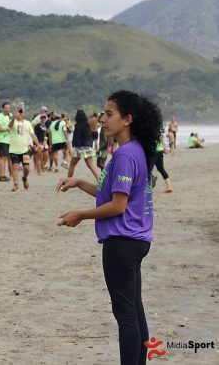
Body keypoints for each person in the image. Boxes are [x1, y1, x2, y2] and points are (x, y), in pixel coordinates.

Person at [57, 90, 162, 365]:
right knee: (135, 311)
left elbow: (118, 206)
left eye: (109, 114)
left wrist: (80, 214)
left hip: (123, 242)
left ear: (127, 119)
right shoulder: (136, 149)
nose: (102, 119)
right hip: (137, 240)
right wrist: (79, 182)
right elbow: (112, 194)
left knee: (126, 316)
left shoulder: (126, 154)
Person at [8, 106, 39, 191]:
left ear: (24, 114)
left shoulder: (27, 123)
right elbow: (9, 126)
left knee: (26, 168)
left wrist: (37, 143)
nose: (20, 114)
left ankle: (24, 178)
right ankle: (15, 184)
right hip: (13, 150)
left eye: (21, 112)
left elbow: (32, 134)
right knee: (15, 167)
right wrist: (14, 117)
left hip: (25, 150)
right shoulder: (12, 122)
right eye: (18, 112)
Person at [68, 109, 100, 180]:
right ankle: (100, 180)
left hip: (80, 148)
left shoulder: (77, 125)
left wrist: (78, 148)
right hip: (88, 147)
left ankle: (68, 180)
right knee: (91, 165)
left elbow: (77, 137)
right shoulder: (87, 125)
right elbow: (93, 136)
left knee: (72, 165)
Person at [0, 102, 12, 181]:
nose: (7, 109)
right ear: (3, 108)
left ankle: (3, 174)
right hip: (1, 140)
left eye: (9, 108)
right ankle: (1, 175)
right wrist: (7, 129)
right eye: (6, 108)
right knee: (2, 158)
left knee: (5, 158)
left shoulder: (7, 117)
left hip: (7, 140)